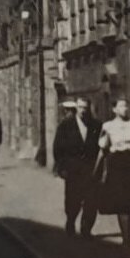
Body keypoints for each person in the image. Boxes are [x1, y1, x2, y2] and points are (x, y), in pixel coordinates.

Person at [95, 97, 130, 248]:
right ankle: (127, 238)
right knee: (122, 201)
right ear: (114, 109)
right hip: (117, 164)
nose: (125, 109)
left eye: (126, 106)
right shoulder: (108, 126)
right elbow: (103, 148)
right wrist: (96, 170)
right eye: (121, 106)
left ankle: (128, 232)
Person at [53, 98, 101, 237]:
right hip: (72, 170)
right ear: (76, 108)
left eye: (85, 108)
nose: (83, 111)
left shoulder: (96, 126)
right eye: (80, 107)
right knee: (73, 199)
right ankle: (71, 221)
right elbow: (58, 148)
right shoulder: (66, 125)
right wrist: (62, 167)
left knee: (91, 201)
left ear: (89, 108)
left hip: (91, 170)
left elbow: (101, 147)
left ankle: (86, 229)